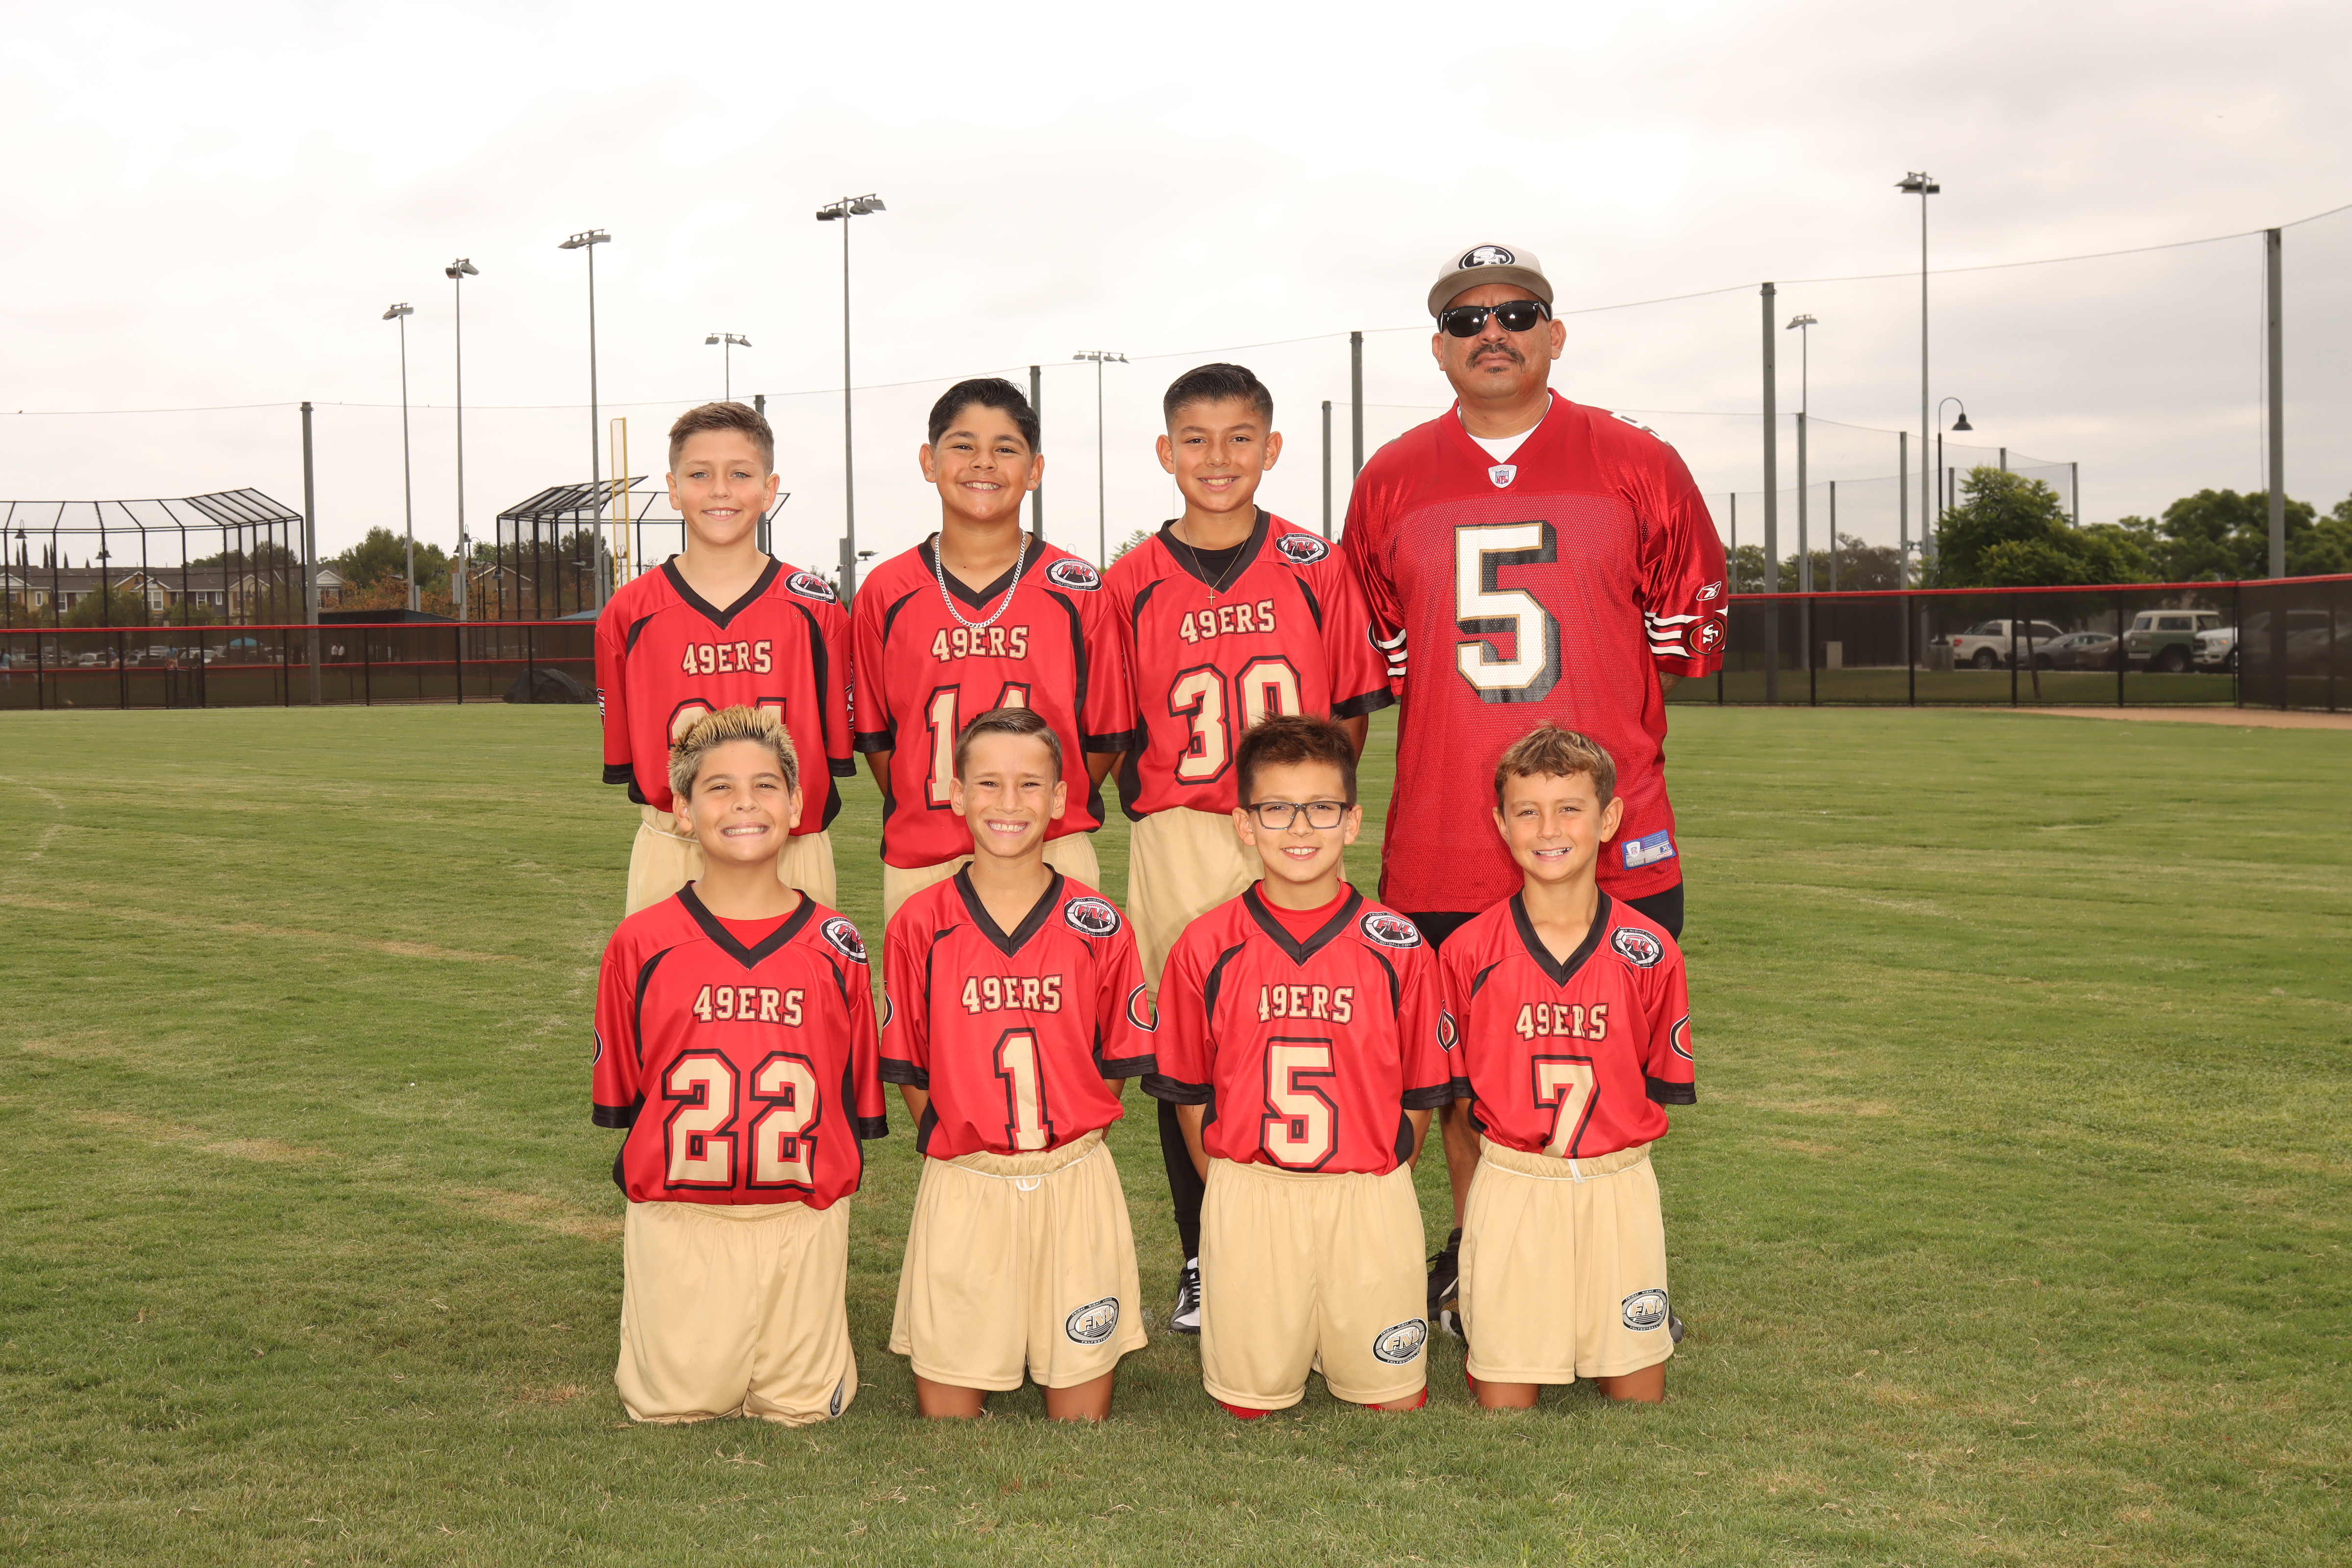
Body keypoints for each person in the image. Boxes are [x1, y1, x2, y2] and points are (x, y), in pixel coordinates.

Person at [1337, 243, 1725, 1324]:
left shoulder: (1639, 462)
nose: (1492, 333)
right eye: (1467, 321)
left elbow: (1683, 637)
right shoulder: (1391, 477)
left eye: (1517, 313)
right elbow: (1377, 659)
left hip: (1612, 832)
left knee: (1613, 1064)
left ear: (1556, 334)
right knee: (1465, 1081)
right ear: (1439, 349)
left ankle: (1614, 1269)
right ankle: (1483, 1262)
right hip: (1446, 835)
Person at [1103, 361, 1393, 1337]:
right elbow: (1112, 729)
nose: (1217, 458)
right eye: (1195, 439)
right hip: (1180, 828)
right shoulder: (1129, 582)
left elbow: (1350, 708)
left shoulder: (1317, 564)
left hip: (1294, 823)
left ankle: (1322, 1235)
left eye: (1239, 438)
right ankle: (1204, 1253)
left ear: (1271, 448)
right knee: (1185, 1042)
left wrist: (1306, 807)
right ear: (1165, 451)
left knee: (1310, 1023)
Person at [1147, 715, 1455, 1418]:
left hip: (1366, 1195)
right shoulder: (1205, 945)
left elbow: (1422, 1089)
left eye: (1321, 807)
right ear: (1244, 824)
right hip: (1252, 1193)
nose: (1299, 827)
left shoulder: (1398, 944)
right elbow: (1189, 1092)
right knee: (1251, 1404)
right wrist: (1229, 1185)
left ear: (1352, 822)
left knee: (1390, 1401)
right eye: (1276, 809)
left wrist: (1387, 1167)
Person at [589, 706, 888, 1424]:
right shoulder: (640, 943)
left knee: (802, 1409)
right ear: (683, 810)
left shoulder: (837, 945)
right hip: (678, 1219)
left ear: (796, 804)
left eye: (765, 785)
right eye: (719, 788)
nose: (745, 803)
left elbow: (851, 1104)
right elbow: (629, 1100)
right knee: (673, 1408)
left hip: (802, 1220)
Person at [880, 707, 1156, 1421]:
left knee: (1081, 1415)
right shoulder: (919, 923)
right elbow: (909, 1064)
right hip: (967, 1181)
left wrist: (1069, 1132)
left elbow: (1117, 1058)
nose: (1010, 802)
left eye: (1030, 784)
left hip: (1072, 1178)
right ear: (956, 792)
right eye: (989, 783)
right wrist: (959, 1138)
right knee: (947, 1415)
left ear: (1060, 798)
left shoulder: (1098, 922)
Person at [1437, 725, 1694, 1408]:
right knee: (1505, 1400)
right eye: (1528, 811)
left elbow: (1653, 1086)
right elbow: (1460, 1102)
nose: (1549, 829)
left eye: (1570, 808)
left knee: (1638, 1394)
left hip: (1618, 1186)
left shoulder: (1649, 950)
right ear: (1501, 824)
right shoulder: (1467, 952)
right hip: (1515, 1185)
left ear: (1609, 819)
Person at [851, 378, 1139, 923]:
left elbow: (1103, 738)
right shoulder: (886, 591)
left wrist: (1035, 805)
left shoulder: (1077, 590)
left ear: (1035, 470)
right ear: (929, 461)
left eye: (1006, 448)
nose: (983, 462)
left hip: (1051, 849)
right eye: (963, 445)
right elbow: (879, 741)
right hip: (925, 854)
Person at [596, 402, 854, 915]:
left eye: (740, 474)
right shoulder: (629, 612)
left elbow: (835, 751)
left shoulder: (816, 608)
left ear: (769, 489)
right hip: (675, 847)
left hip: (790, 848)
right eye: (699, 474)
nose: (719, 490)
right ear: (673, 489)